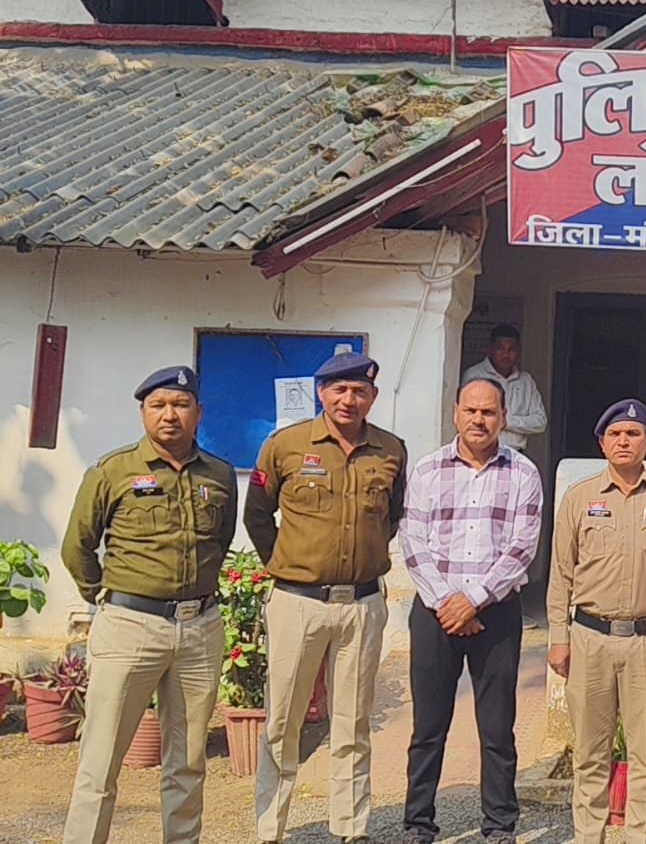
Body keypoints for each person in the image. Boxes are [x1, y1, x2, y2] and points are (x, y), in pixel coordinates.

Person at [61, 366, 235, 844]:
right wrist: (106, 598)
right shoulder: (112, 470)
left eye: (180, 405)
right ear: (143, 413)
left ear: (199, 412)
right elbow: (77, 546)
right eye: (158, 405)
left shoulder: (219, 474)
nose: (169, 415)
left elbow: (219, 542)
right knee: (101, 760)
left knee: (188, 761)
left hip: (199, 630)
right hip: (130, 626)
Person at [244, 352, 407, 844]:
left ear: (372, 397)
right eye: (339, 390)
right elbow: (257, 515)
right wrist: (288, 564)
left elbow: (392, 516)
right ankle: (270, 828)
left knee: (352, 723)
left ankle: (351, 828)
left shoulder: (391, 450)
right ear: (321, 392)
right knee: (283, 721)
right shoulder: (286, 446)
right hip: (298, 602)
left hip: (361, 605)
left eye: (359, 391)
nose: (348, 400)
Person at [397, 378, 541, 844]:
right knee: (428, 727)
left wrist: (473, 600)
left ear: (503, 418)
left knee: (497, 729)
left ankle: (499, 825)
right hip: (435, 613)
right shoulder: (427, 469)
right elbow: (412, 542)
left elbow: (522, 548)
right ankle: (419, 823)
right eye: (471, 411)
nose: (479, 420)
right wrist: (448, 603)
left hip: (496, 615)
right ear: (456, 413)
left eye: (489, 412)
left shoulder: (523, 473)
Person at [547, 398, 646, 844]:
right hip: (590, 638)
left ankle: (643, 837)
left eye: (632, 434)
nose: (623, 441)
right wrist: (558, 637)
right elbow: (561, 573)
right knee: (591, 753)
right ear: (602, 443)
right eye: (615, 434)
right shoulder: (580, 497)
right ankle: (589, 835)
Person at [462, 324, 547, 454]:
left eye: (511, 349)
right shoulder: (475, 375)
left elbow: (540, 422)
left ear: (518, 351)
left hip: (515, 453)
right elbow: (467, 415)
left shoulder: (526, 381)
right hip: (480, 452)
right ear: (490, 349)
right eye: (500, 348)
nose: (506, 355)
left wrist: (506, 421)